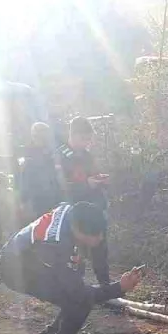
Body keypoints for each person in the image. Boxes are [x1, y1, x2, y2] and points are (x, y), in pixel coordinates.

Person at [0, 201, 141, 334]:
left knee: (75, 295)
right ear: (78, 230)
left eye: (102, 232)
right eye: (96, 235)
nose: (101, 237)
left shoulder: (76, 214)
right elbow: (79, 293)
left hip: (30, 260)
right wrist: (119, 288)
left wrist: (106, 284)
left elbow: (99, 252)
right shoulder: (56, 246)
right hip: (17, 271)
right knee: (79, 301)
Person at [56, 116, 111, 285]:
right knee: (74, 254)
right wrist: (86, 185)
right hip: (72, 212)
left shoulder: (87, 156)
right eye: (84, 139)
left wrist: (100, 180)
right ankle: (74, 287)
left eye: (89, 139)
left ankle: (105, 285)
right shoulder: (59, 157)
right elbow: (57, 188)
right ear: (72, 135)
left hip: (92, 210)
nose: (87, 143)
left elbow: (92, 175)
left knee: (100, 247)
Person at [19, 121, 63, 221]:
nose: (44, 140)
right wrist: (24, 201)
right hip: (38, 202)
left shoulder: (52, 153)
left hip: (53, 200)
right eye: (41, 137)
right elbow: (24, 182)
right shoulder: (29, 157)